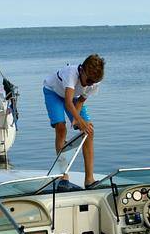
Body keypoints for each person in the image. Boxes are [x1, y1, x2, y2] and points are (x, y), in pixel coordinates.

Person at [43, 54, 105, 188]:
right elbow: (67, 102)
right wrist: (79, 120)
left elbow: (81, 100)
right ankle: (63, 175)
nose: (90, 84)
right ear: (82, 70)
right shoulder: (71, 73)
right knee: (61, 127)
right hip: (53, 92)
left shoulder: (94, 82)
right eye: (88, 81)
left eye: (93, 82)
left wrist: (78, 121)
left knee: (89, 131)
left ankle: (89, 179)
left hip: (72, 99)